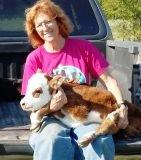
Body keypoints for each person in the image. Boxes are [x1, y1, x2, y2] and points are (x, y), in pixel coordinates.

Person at [21, 0, 128, 160]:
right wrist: (51, 107)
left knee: (100, 140)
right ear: (34, 30)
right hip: (52, 117)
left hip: (85, 115)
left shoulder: (84, 48)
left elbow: (109, 81)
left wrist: (121, 107)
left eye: (48, 21)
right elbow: (29, 102)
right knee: (51, 141)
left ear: (58, 21)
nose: (45, 28)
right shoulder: (34, 59)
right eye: (39, 25)